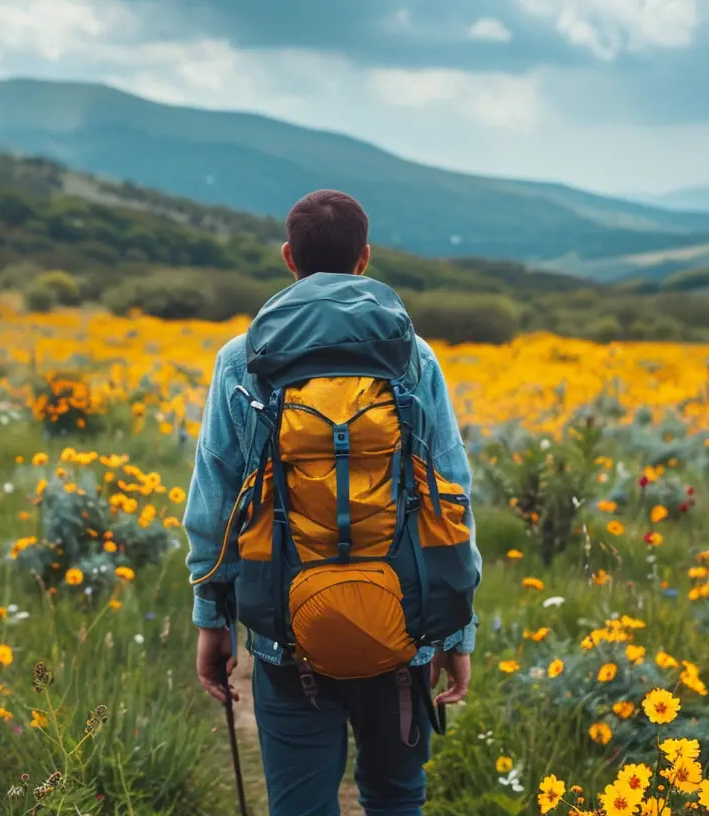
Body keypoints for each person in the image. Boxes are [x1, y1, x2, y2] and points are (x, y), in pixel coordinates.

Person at [183, 189, 481, 815]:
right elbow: (450, 495)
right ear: (365, 259)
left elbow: (215, 508)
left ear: (288, 258)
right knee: (397, 796)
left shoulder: (242, 360)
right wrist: (458, 630)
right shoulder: (413, 357)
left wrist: (213, 621)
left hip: (287, 634)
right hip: (406, 625)